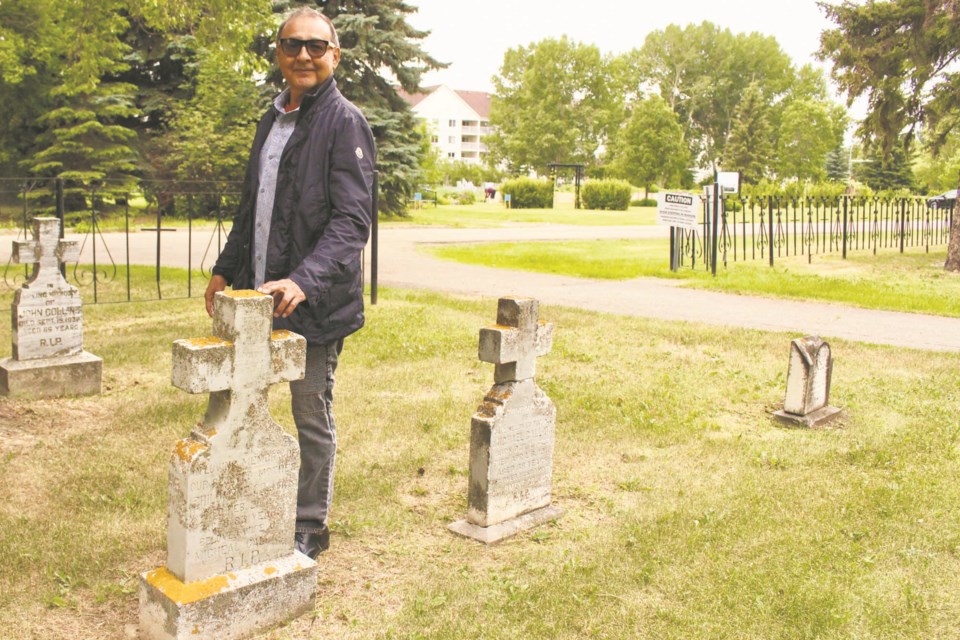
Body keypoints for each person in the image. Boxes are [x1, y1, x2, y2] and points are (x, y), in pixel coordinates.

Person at [204, 6, 376, 560]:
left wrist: (304, 279)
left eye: (316, 47)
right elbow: (252, 205)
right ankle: (240, 503)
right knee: (239, 401)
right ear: (278, 52)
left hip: (315, 301)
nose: (304, 55)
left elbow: (352, 221)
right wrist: (226, 268)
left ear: (335, 55)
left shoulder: (344, 122)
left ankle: (310, 525)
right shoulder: (270, 120)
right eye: (293, 44)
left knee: (310, 411)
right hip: (256, 298)